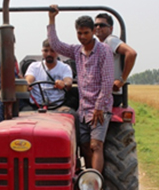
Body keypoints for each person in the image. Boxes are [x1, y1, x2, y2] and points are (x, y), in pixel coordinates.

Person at [47, 4, 115, 174]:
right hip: (83, 108)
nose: (83, 37)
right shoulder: (77, 51)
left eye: (86, 33)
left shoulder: (103, 50)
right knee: (84, 146)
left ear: (93, 32)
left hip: (99, 107)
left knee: (96, 145)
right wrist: (52, 19)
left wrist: (99, 106)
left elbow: (107, 81)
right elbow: (56, 45)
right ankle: (87, 178)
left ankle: (94, 183)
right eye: (79, 33)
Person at [93, 13, 137, 106]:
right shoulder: (99, 45)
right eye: (95, 25)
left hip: (111, 94)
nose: (98, 27)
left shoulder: (110, 40)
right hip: (103, 92)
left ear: (111, 28)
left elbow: (131, 53)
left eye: (102, 25)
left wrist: (122, 80)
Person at [24, 39, 73, 111]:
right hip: (36, 106)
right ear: (42, 51)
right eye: (46, 51)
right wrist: (27, 84)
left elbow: (68, 82)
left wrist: (63, 84)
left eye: (52, 51)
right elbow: (28, 80)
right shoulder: (34, 66)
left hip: (58, 106)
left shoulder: (65, 68)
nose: (49, 54)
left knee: (71, 114)